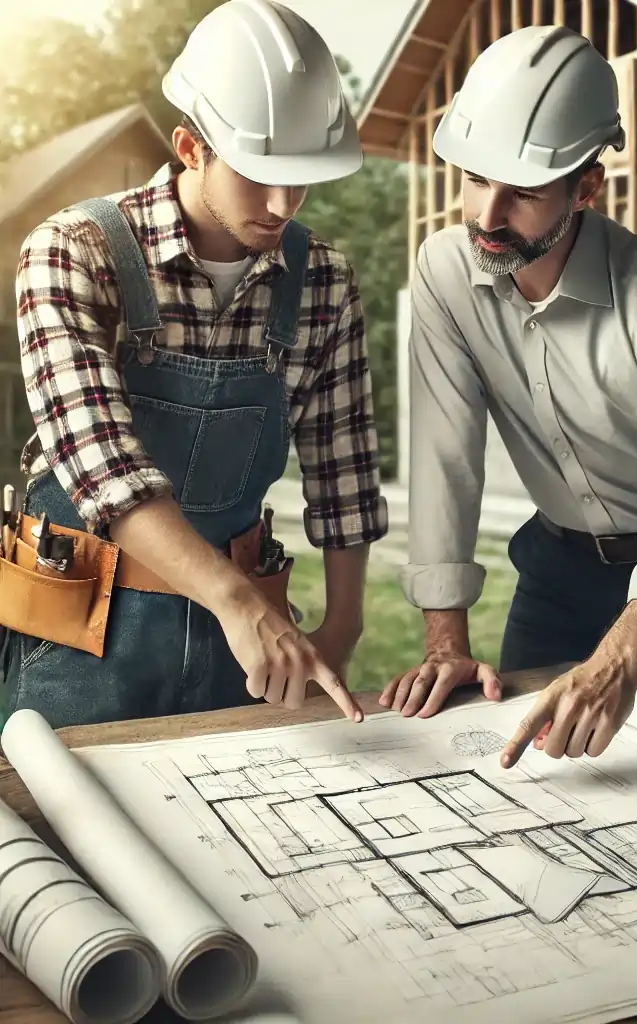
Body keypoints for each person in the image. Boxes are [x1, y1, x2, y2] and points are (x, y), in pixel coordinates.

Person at [380, 25, 637, 766]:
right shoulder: (444, 270)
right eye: (475, 180)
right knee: (519, 766)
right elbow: (443, 457)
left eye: (521, 193)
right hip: (555, 568)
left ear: (585, 188)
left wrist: (619, 664)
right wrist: (446, 641)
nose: (487, 217)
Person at [0, 0, 387, 730]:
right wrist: (238, 602)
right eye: (258, 173)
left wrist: (343, 627)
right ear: (190, 147)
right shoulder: (72, 253)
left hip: (241, 642)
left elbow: (346, 476)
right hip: (79, 627)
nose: (283, 204)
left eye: (301, 177)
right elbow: (102, 468)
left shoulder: (324, 280)